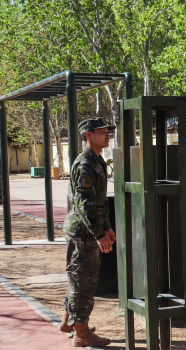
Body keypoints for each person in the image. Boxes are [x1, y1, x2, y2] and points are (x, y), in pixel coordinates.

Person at [60, 118, 115, 348]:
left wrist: (107, 227)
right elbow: (84, 204)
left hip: (86, 230)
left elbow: (98, 202)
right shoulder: (85, 164)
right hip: (83, 232)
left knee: (79, 276)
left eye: (107, 131)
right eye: (102, 132)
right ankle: (81, 332)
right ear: (88, 135)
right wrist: (99, 234)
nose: (107, 135)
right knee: (84, 281)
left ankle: (69, 321)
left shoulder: (96, 160)